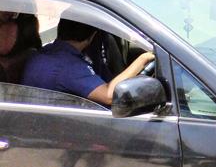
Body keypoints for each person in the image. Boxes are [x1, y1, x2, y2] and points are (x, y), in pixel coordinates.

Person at [21, 19, 155, 107]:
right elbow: (109, 95)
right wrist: (144, 58)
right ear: (92, 37)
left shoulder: (46, 53)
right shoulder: (69, 67)